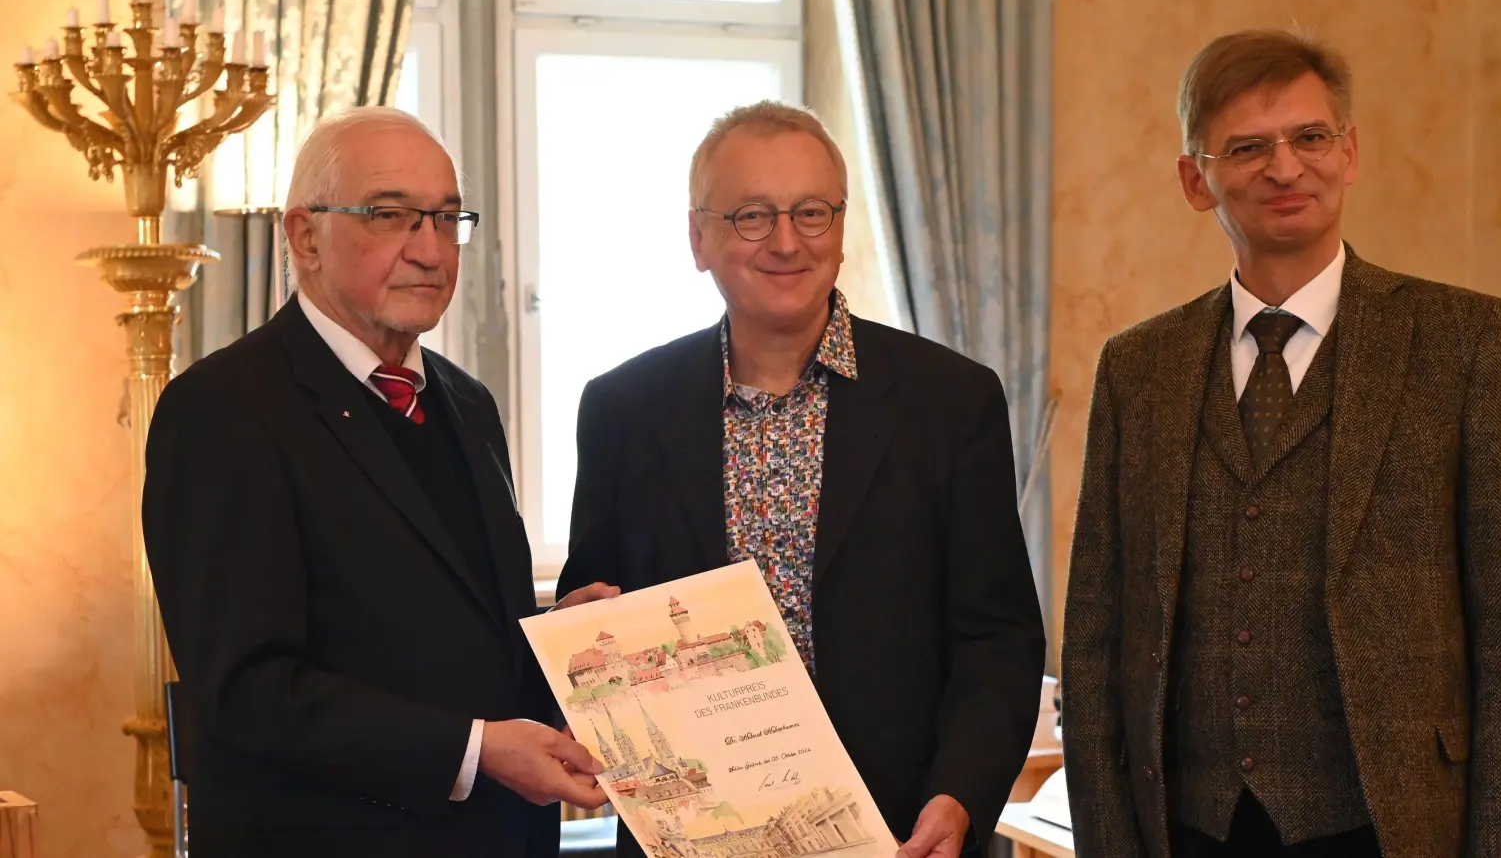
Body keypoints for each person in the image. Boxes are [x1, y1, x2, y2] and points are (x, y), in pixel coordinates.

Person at [1061, 29, 1501, 858]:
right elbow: (1095, 639)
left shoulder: (1468, 342)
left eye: (1310, 137)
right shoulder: (1137, 368)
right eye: (1247, 147)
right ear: (1198, 180)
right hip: (1189, 829)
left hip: (1395, 827)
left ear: (1351, 151)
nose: (1286, 167)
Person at [556, 100, 1046, 858]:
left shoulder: (951, 401)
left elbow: (998, 637)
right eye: (751, 215)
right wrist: (582, 629)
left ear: (841, 229)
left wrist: (961, 796)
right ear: (698, 238)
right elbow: (595, 608)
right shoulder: (623, 408)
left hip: (902, 833)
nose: (786, 242)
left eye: (811, 212)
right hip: (694, 838)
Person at [143, 106, 617, 858]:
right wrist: (475, 749)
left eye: (447, 218)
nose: (429, 250)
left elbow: (449, 631)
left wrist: (559, 640)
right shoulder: (223, 409)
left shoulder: (466, 401)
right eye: (391, 216)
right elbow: (248, 691)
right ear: (304, 237)